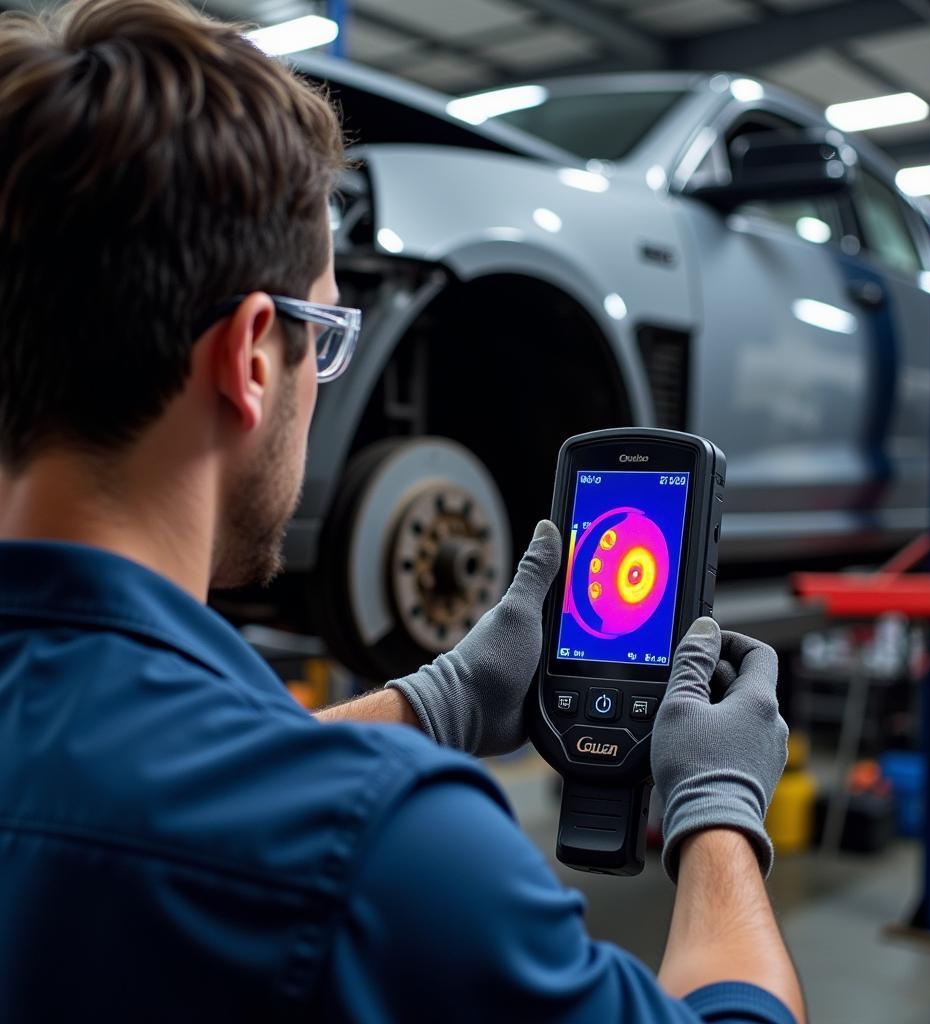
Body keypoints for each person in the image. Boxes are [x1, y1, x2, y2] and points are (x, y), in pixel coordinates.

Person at [0, 2, 804, 1021]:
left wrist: (435, 701)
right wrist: (717, 811)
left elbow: (139, 787)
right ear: (253, 357)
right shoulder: (388, 849)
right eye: (326, 332)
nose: (326, 373)